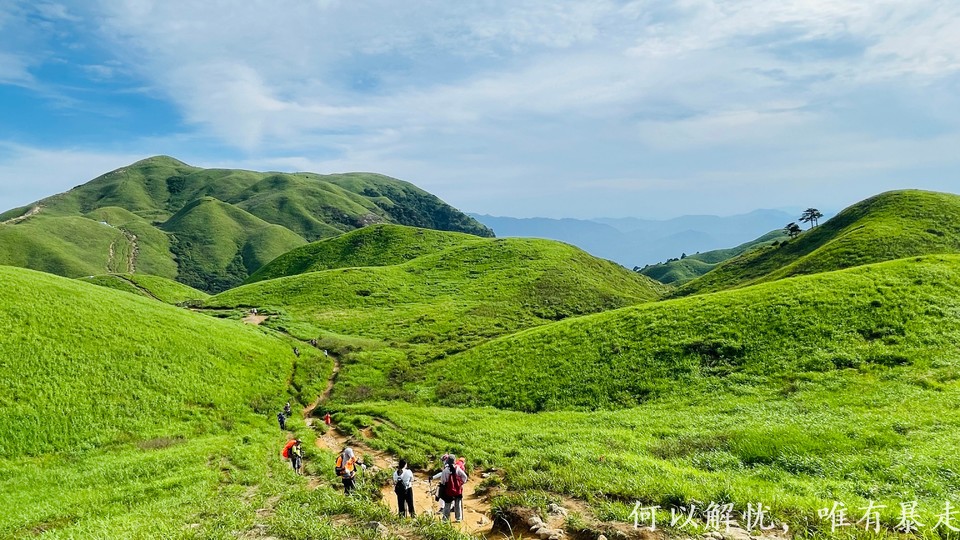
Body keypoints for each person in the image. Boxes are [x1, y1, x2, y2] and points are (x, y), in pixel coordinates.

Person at [432, 455, 468, 522]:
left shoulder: (445, 470)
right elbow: (464, 477)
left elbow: (443, 481)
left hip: (448, 490)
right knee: (458, 503)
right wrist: (461, 483)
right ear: (454, 461)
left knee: (447, 504)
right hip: (458, 489)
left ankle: (445, 519)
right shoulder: (457, 468)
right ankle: (458, 518)